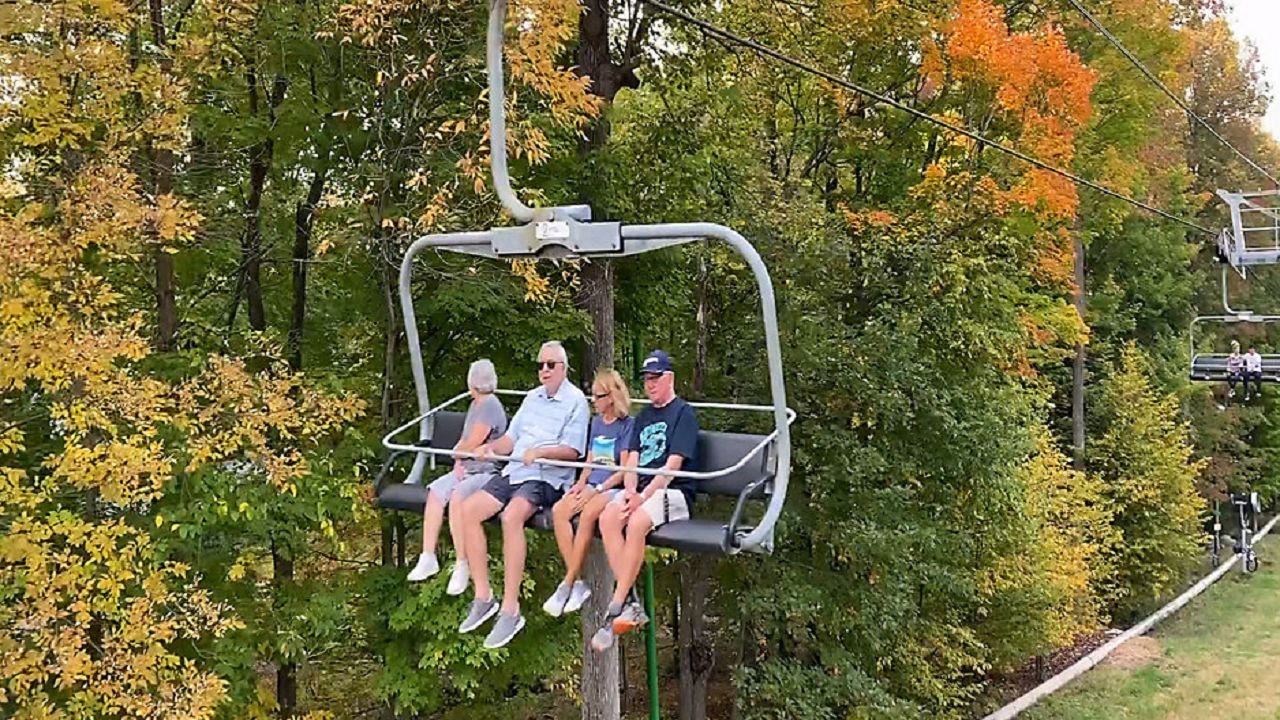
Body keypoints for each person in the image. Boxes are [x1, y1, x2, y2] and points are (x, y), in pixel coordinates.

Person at [456, 341, 589, 649]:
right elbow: (510, 439)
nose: (544, 370)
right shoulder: (531, 399)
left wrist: (540, 452)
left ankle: (511, 609)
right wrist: (488, 450)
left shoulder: (576, 402)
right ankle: (483, 596)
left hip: (546, 476)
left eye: (550, 365)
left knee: (511, 516)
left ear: (563, 368)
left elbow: (573, 451)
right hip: (515, 471)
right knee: (468, 510)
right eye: (540, 365)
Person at [591, 350, 699, 652]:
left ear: (670, 378)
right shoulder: (644, 417)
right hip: (641, 492)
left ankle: (615, 605)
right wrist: (628, 491)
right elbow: (632, 463)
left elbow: (672, 468)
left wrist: (642, 497)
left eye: (655, 378)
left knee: (637, 522)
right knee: (608, 517)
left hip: (674, 493)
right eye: (646, 379)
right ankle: (631, 602)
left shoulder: (683, 414)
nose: (650, 384)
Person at [406, 360, 507, 591]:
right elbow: (464, 442)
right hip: (466, 467)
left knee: (456, 495)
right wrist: (458, 459)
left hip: (486, 471)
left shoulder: (490, 405)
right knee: (435, 492)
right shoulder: (475, 405)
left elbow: (474, 441)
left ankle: (462, 563)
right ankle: (428, 556)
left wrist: (459, 453)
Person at [541, 369, 636, 617]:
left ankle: (567, 582)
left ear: (611, 396)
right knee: (560, 511)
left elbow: (624, 469)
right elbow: (591, 461)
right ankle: (578, 581)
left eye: (598, 396)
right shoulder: (596, 424)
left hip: (611, 487)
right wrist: (581, 484)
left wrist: (598, 488)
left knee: (587, 515)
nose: (593, 401)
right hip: (592, 484)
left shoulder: (627, 426)